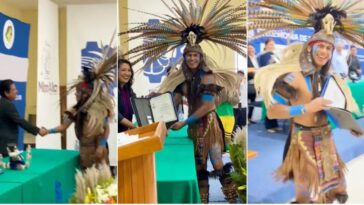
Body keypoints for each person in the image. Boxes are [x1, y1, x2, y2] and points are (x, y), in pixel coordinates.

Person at [253, 12, 363, 203]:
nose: (325, 52)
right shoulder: (292, 76)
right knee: (306, 182)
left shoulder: (328, 77)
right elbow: (272, 111)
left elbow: (332, 108)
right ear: (309, 48)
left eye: (329, 48)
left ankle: (337, 191)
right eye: (320, 46)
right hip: (302, 138)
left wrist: (349, 124)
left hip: (326, 135)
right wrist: (304, 108)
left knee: (333, 171)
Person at [45, 51, 116, 170]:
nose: (76, 95)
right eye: (76, 92)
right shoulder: (75, 110)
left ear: (88, 94)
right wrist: (47, 131)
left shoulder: (99, 110)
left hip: (98, 149)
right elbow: (63, 127)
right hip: (84, 150)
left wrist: (101, 146)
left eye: (79, 92)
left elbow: (106, 130)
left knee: (101, 182)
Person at [0, 79, 48, 156]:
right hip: (6, 145)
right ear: (6, 93)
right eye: (13, 89)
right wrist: (38, 130)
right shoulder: (7, 105)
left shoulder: (3, 103)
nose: (16, 91)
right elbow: (20, 121)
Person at [257, 38, 281, 133]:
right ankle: (268, 125)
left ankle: (274, 124)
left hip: (275, 82)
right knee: (268, 103)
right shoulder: (263, 56)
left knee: (274, 103)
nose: (272, 46)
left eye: (273, 44)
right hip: (267, 82)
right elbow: (264, 69)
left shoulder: (275, 56)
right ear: (266, 45)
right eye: (270, 44)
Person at [118, 59, 136, 132]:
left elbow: (137, 105)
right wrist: (133, 126)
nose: (127, 73)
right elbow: (115, 114)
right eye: (123, 70)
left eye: (129, 70)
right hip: (114, 136)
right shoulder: (112, 91)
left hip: (125, 134)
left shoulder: (129, 90)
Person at [247, 43, 259, 124]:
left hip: (256, 83)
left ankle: (250, 118)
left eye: (252, 48)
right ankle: (246, 119)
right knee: (246, 101)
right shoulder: (245, 59)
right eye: (249, 48)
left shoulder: (256, 58)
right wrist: (254, 69)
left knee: (253, 101)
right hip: (248, 83)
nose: (250, 50)